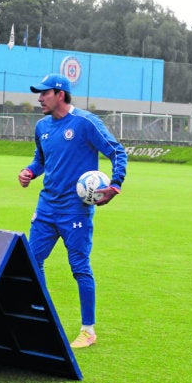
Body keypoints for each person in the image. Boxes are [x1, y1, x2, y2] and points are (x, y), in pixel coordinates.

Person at [18, 73, 127, 349]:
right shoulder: (42, 126)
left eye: (44, 93)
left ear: (60, 94)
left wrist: (115, 185)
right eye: (39, 94)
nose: (39, 98)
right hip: (46, 209)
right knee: (32, 263)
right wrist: (30, 171)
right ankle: (40, 317)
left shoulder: (85, 122)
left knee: (79, 268)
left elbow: (117, 152)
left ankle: (88, 330)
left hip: (75, 211)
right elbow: (41, 159)